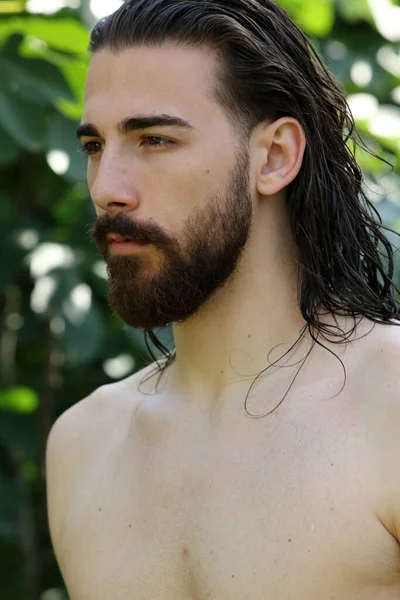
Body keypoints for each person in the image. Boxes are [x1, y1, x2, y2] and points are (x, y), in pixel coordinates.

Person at [45, 0, 400, 598]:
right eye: (94, 147)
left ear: (275, 157)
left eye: (154, 139)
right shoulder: (83, 447)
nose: (107, 189)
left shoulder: (390, 405)